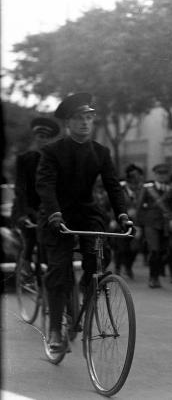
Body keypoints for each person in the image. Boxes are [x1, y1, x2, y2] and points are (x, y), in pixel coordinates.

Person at [36, 92, 132, 351]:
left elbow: (113, 186)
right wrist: (54, 213)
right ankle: (55, 329)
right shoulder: (52, 151)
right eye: (79, 118)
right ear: (68, 123)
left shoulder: (101, 152)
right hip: (58, 215)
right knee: (59, 269)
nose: (85, 123)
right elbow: (45, 185)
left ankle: (86, 296)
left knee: (100, 257)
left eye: (89, 118)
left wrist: (122, 214)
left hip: (88, 214)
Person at [13, 117, 60, 264]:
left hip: (48, 210)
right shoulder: (25, 159)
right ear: (36, 137)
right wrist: (25, 212)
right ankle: (25, 269)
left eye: (47, 138)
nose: (43, 141)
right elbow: (20, 188)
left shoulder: (56, 162)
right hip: (27, 209)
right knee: (31, 241)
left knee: (54, 245)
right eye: (41, 137)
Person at [136, 163, 171, 288]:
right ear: (155, 175)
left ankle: (157, 276)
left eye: (164, 174)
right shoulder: (147, 188)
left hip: (165, 225)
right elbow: (139, 207)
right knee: (154, 250)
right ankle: (153, 278)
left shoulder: (169, 189)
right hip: (150, 224)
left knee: (162, 252)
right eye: (159, 174)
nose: (162, 176)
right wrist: (138, 225)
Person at [113, 164, 145, 279]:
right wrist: (114, 218)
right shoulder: (120, 188)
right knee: (121, 248)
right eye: (133, 176)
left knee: (135, 248)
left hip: (137, 223)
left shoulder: (143, 189)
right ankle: (118, 267)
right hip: (121, 222)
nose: (136, 179)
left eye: (138, 176)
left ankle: (128, 266)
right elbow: (111, 204)